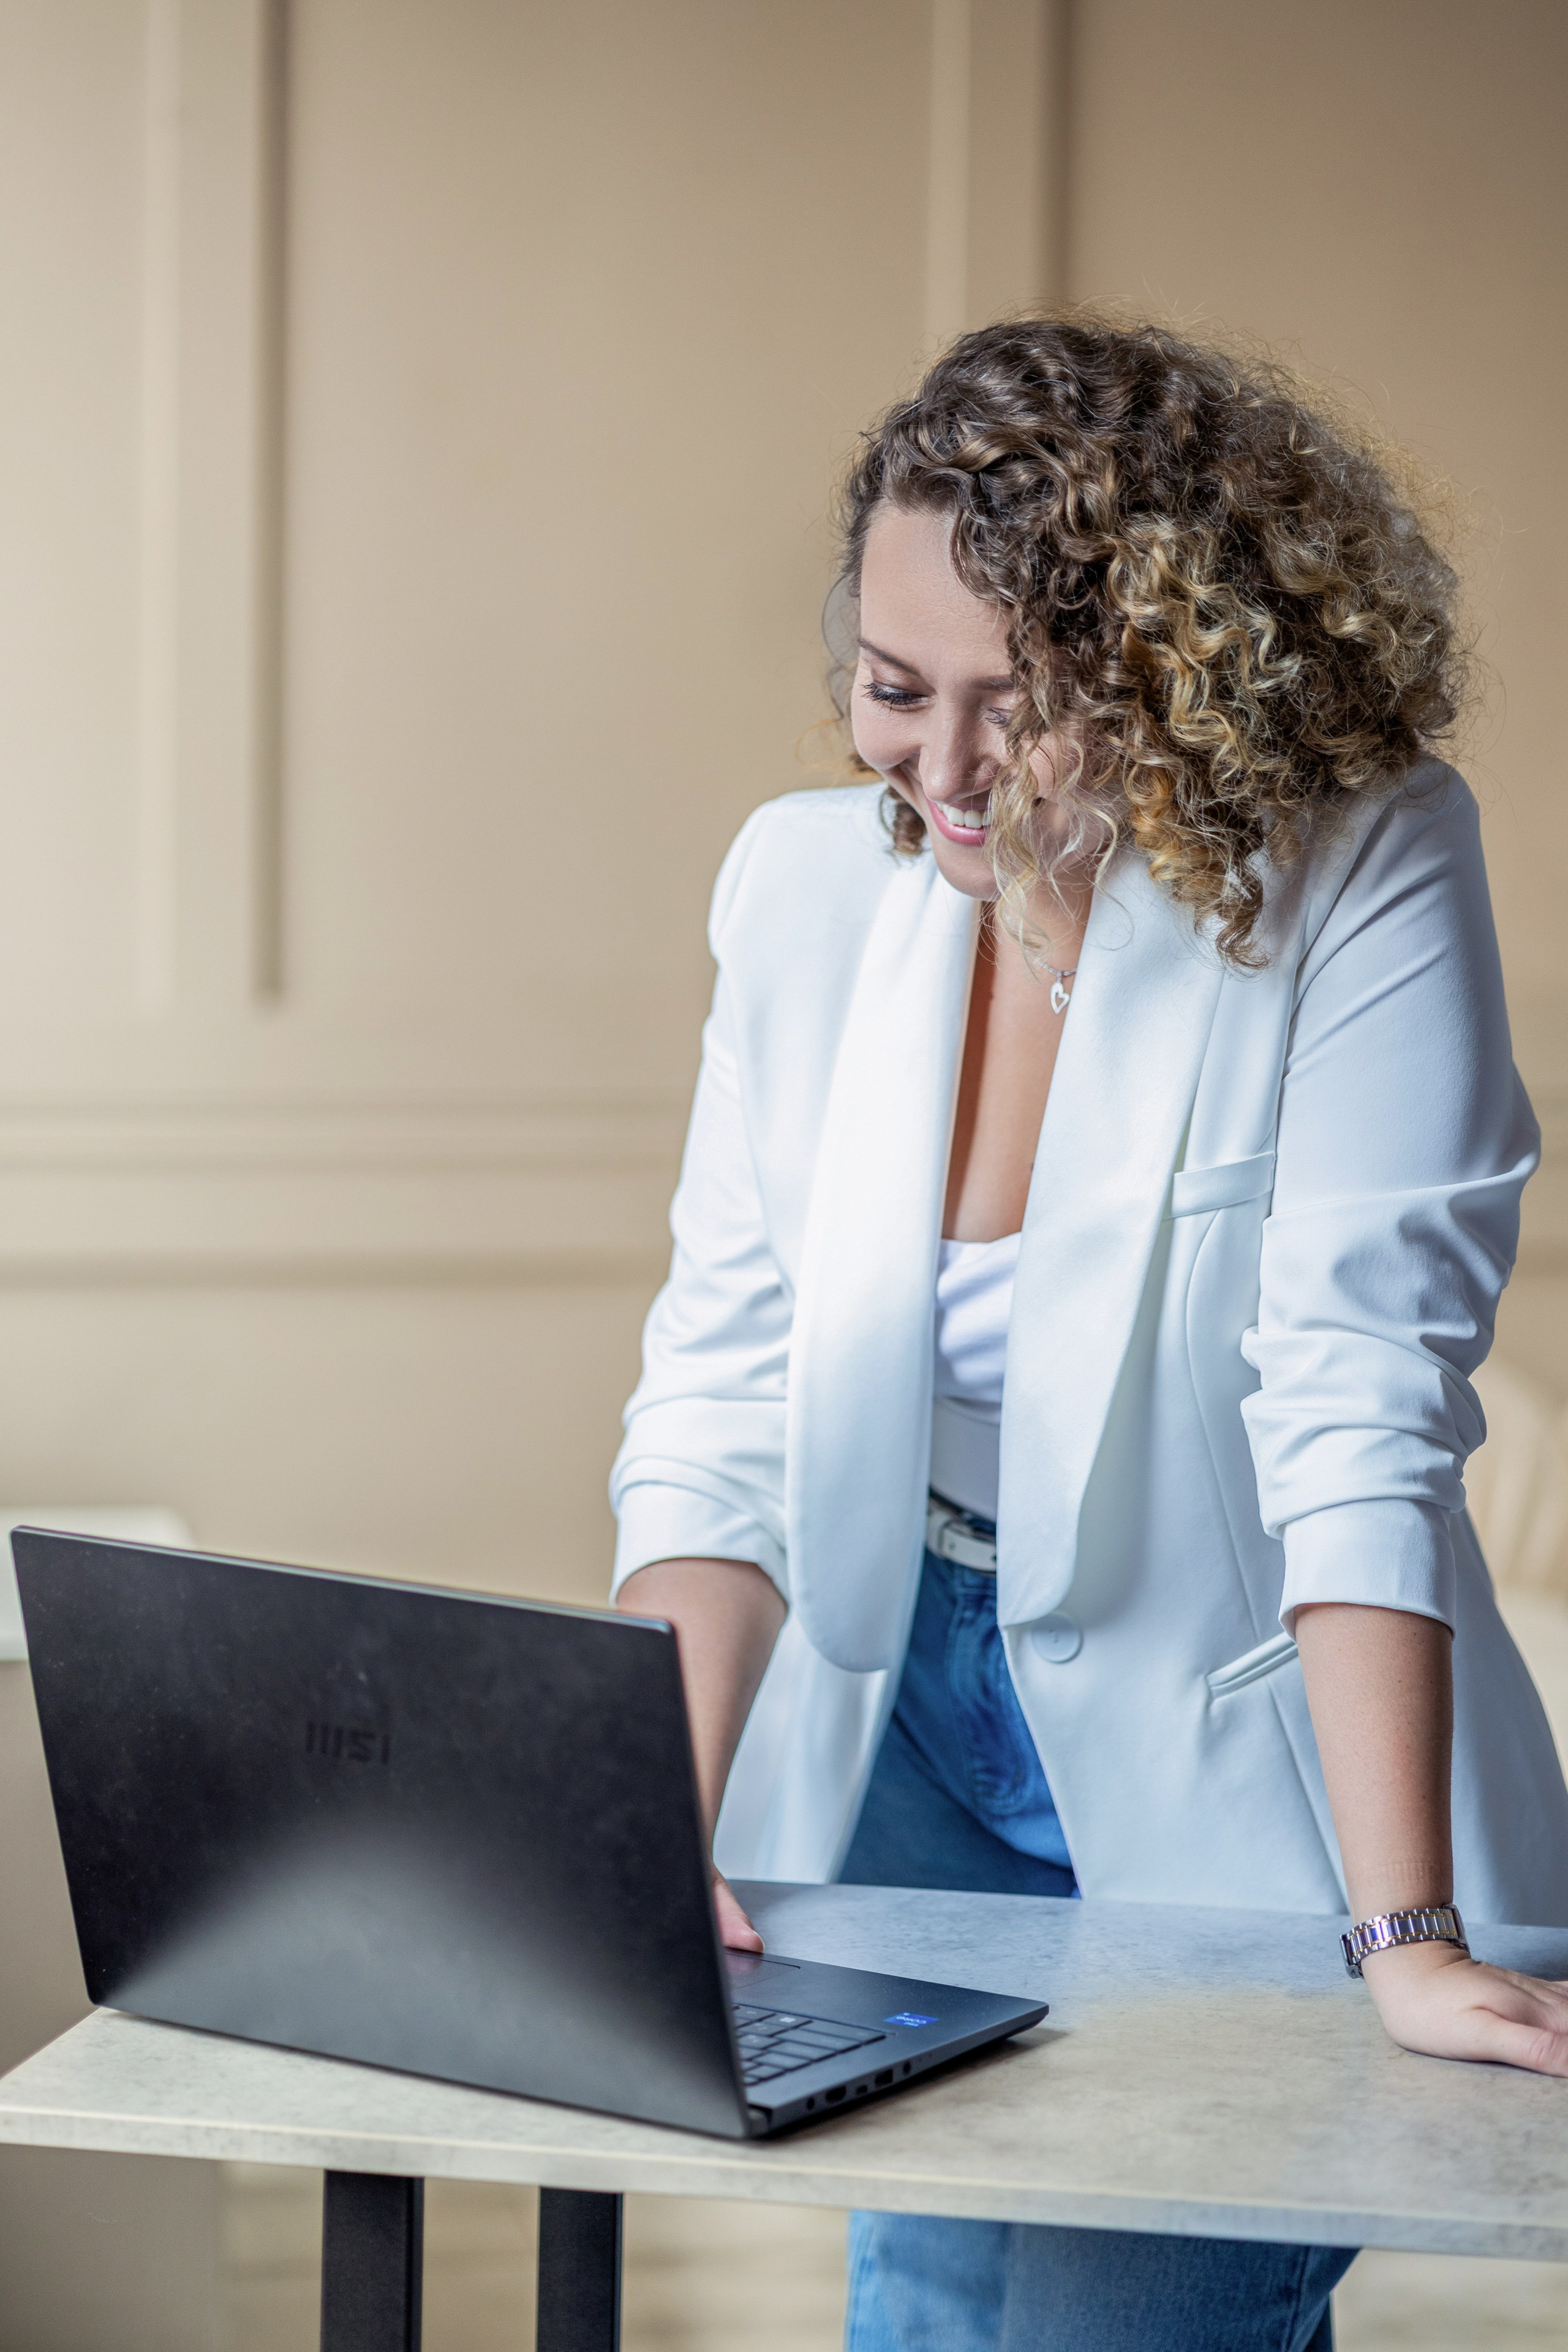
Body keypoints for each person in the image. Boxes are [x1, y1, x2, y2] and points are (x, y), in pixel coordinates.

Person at [611, 315, 1568, 2352]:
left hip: (1238, 1751)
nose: (943, 771)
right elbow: (721, 1398)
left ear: (1173, 675)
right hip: (900, 1723)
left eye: (1024, 705)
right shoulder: (798, 891)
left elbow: (1359, 1407)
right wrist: (642, 1838)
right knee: (934, 2321)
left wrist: (1404, 1932)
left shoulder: (1366, 865)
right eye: (895, 689)